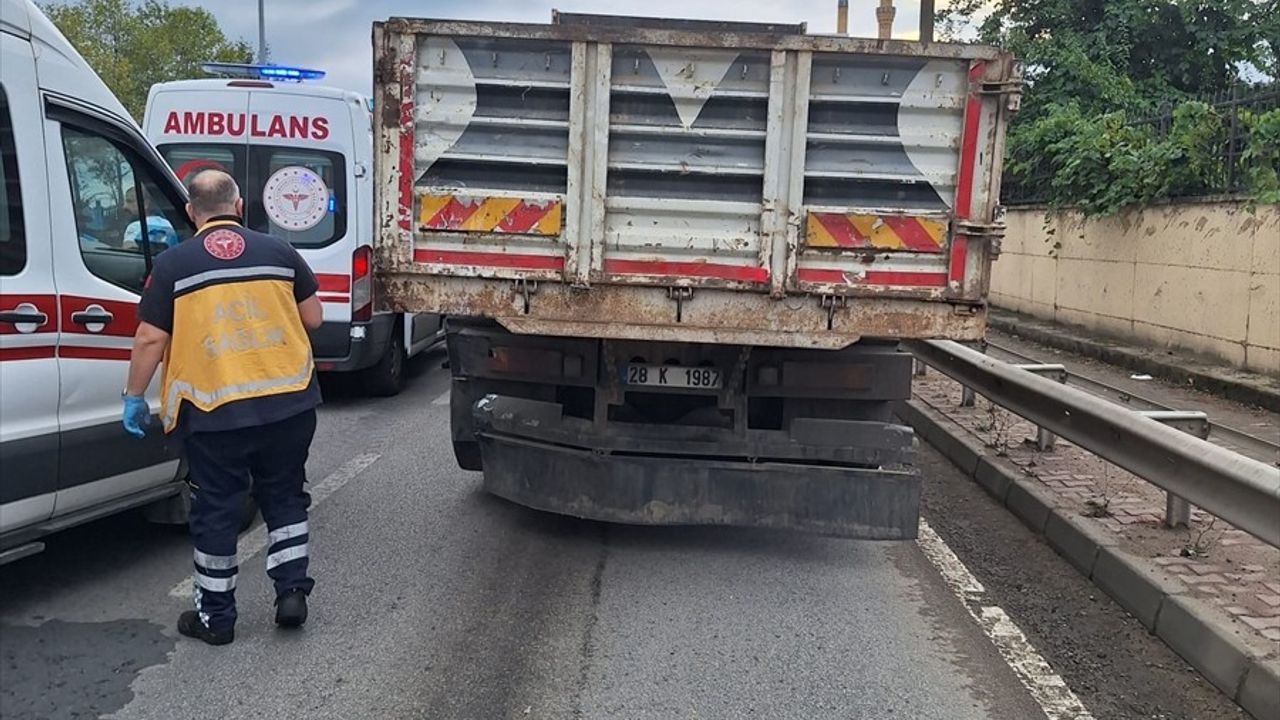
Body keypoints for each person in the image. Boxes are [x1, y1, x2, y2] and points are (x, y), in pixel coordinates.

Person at [123, 170, 325, 646]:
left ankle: (216, 618)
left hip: (215, 413)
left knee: (216, 509)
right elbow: (312, 318)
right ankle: (291, 592)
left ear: (192, 213)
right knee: (285, 496)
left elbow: (151, 337)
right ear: (237, 206)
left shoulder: (174, 264)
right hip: (288, 404)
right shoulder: (279, 252)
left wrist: (134, 397)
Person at [121, 186, 179, 250]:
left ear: (145, 204)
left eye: (129, 201)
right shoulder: (167, 224)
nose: (125, 206)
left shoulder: (135, 227)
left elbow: (128, 255)